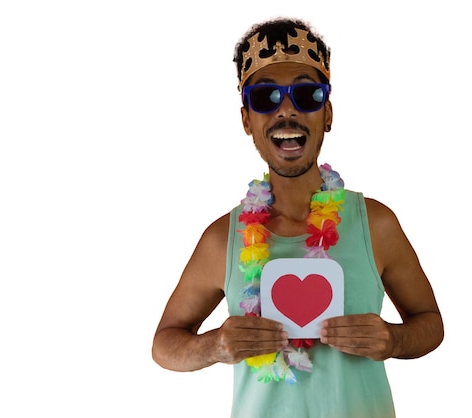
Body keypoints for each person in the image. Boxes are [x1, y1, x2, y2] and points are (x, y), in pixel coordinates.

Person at [152, 17, 443, 418]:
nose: (287, 110)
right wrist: (213, 346)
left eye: (306, 95)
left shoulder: (376, 224)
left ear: (327, 114)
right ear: (246, 121)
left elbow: (430, 325)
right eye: (265, 97)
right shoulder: (224, 238)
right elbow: (165, 345)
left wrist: (393, 340)